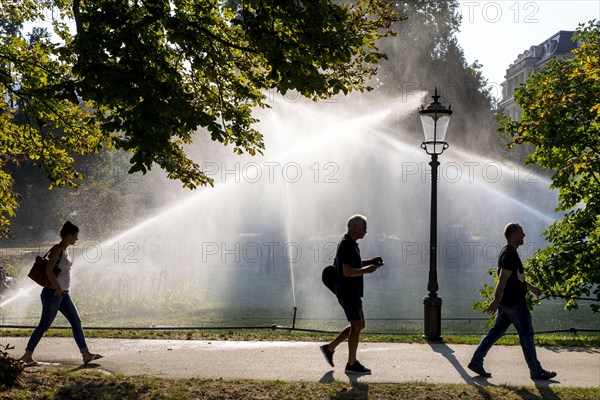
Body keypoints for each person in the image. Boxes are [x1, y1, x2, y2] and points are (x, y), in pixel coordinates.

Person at [467, 222, 556, 380]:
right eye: (521, 233)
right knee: (526, 334)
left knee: (495, 332)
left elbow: (516, 277)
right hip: (515, 304)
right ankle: (536, 370)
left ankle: (476, 361)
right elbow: (503, 279)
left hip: (507, 304)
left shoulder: (508, 253)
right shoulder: (509, 254)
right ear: (514, 235)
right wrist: (495, 301)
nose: (524, 236)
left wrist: (530, 287)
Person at [20, 221, 103, 366]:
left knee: (76, 322)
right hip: (53, 294)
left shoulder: (66, 250)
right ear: (69, 235)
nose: (76, 239)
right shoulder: (57, 249)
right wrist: (57, 288)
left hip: (64, 295)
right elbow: (48, 271)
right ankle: (27, 355)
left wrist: (61, 290)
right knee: (44, 325)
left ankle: (85, 354)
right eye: (75, 236)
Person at [320, 214, 382, 374]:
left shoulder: (351, 243)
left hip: (352, 291)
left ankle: (330, 348)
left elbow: (350, 264)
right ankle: (351, 364)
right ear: (355, 227)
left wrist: (369, 262)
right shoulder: (346, 244)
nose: (366, 231)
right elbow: (347, 271)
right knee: (356, 325)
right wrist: (367, 271)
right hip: (347, 292)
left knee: (360, 325)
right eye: (364, 228)